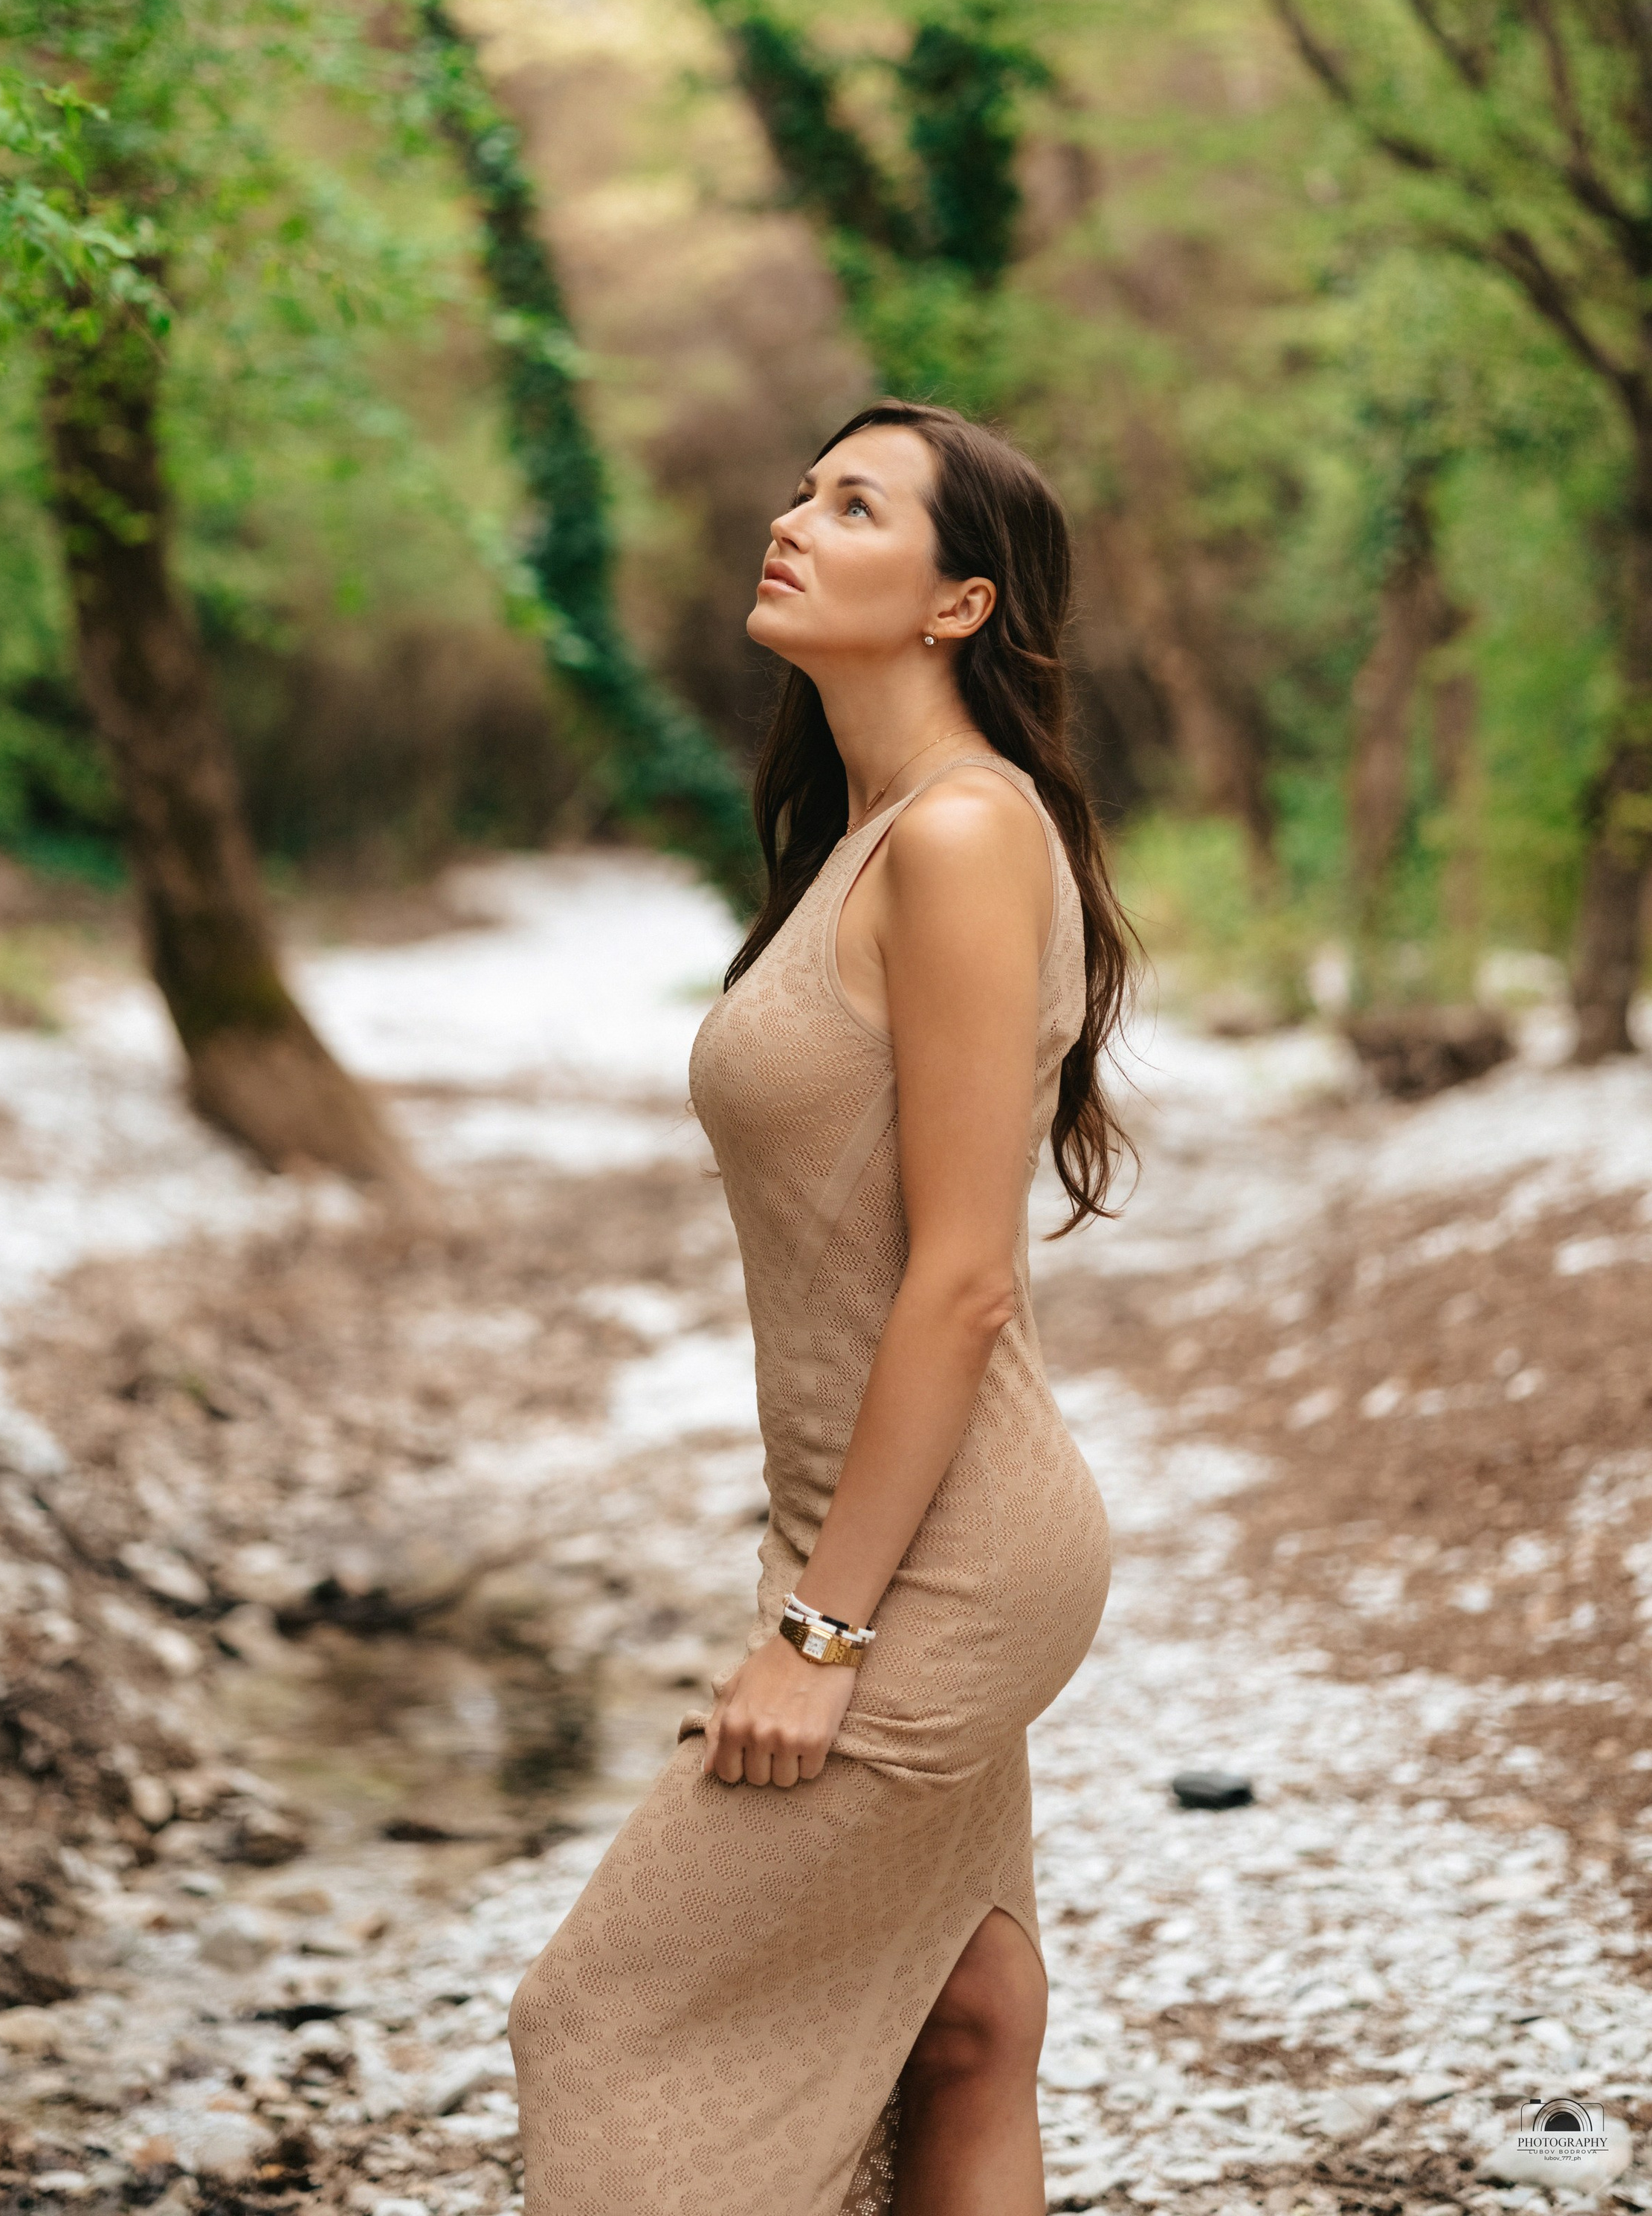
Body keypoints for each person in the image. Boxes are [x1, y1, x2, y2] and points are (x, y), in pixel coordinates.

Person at [509, 401, 1132, 2216]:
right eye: (797, 487)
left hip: (933, 1563)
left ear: (956, 603)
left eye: (852, 504)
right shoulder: (870, 831)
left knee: (596, 2018)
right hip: (881, 1524)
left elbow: (960, 1278)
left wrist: (819, 1635)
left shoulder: (957, 836)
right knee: (963, 2025)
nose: (788, 517)